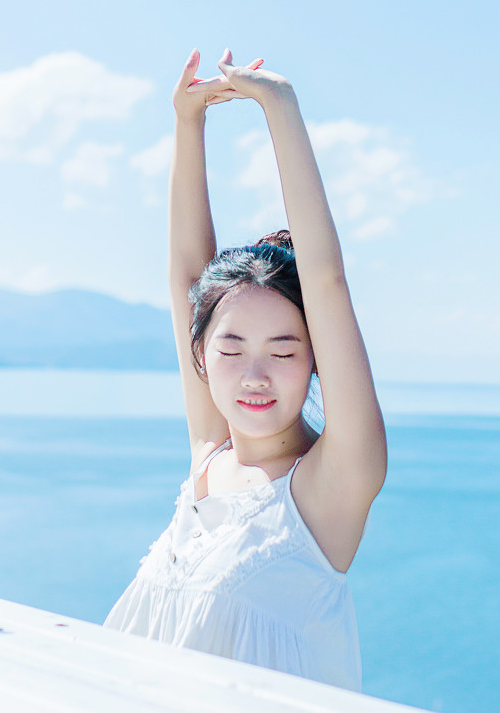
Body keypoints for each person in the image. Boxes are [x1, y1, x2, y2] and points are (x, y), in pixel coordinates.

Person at [103, 48, 388, 691]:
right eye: (231, 351)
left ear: (317, 359)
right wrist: (187, 121)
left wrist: (279, 108)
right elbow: (186, 277)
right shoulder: (211, 451)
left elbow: (326, 280)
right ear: (202, 356)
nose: (254, 375)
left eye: (284, 351)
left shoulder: (328, 489)